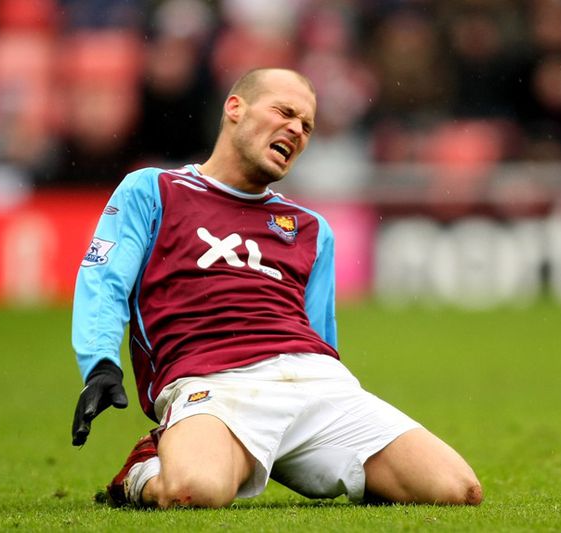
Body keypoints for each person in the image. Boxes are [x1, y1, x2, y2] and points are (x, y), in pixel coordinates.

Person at [70, 67, 483, 509]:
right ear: (235, 108)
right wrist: (101, 364)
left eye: (307, 126)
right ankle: (144, 468)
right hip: (213, 380)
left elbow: (321, 335)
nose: (297, 130)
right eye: (285, 112)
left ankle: (266, 454)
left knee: (458, 490)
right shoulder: (154, 189)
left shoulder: (311, 229)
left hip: (316, 383)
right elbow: (104, 277)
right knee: (195, 491)